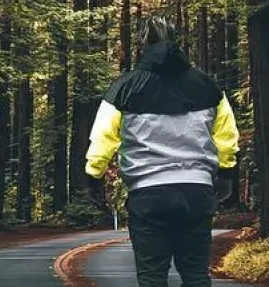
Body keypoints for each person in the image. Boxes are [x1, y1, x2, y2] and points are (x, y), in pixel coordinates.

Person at [85, 17, 239, 287]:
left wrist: (94, 177)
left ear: (142, 45)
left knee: (152, 277)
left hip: (148, 195)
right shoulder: (207, 86)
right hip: (196, 192)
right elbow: (226, 136)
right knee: (195, 275)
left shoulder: (124, 88)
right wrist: (226, 174)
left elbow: (102, 138)